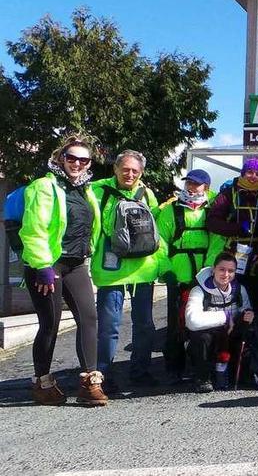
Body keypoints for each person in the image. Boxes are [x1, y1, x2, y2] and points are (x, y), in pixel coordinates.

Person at [20, 134, 107, 406]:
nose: (77, 164)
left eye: (84, 160)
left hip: (77, 263)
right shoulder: (43, 186)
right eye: (72, 158)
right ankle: (42, 384)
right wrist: (43, 265)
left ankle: (90, 385)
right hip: (48, 264)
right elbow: (33, 230)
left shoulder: (86, 189)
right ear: (61, 158)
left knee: (89, 318)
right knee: (50, 324)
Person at [91, 150, 160, 391]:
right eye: (125, 169)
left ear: (141, 173)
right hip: (111, 271)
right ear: (115, 169)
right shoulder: (97, 191)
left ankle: (140, 372)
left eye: (135, 170)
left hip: (143, 269)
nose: (129, 174)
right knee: (109, 326)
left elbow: (156, 230)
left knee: (144, 325)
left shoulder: (147, 194)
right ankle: (104, 375)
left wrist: (162, 265)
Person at [156, 169, 221, 380]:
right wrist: (166, 270)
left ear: (206, 187)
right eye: (189, 183)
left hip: (205, 278)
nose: (192, 187)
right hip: (178, 276)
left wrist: (209, 270)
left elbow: (217, 241)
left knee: (204, 323)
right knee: (176, 324)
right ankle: (174, 368)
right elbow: (161, 243)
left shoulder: (213, 210)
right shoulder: (170, 210)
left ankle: (201, 366)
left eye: (197, 184)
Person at [206, 158, 258, 321]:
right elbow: (212, 222)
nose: (253, 177)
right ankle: (233, 337)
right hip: (232, 255)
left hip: (257, 257)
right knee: (234, 298)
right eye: (249, 172)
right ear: (242, 173)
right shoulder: (228, 195)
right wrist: (237, 228)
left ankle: (256, 341)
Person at [185, 252, 255, 393]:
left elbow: (245, 309)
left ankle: (244, 373)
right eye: (222, 269)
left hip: (230, 335)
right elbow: (192, 321)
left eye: (231, 271)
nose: (226, 274)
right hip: (209, 337)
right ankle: (203, 378)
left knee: (250, 331)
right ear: (213, 270)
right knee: (202, 337)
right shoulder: (199, 290)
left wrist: (249, 315)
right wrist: (225, 316)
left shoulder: (239, 290)